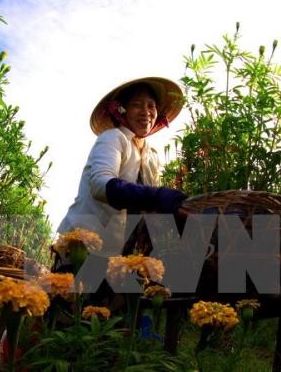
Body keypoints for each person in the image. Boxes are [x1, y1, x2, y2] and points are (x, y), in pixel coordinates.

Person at [55, 77, 187, 271]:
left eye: (151, 106)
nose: (146, 112)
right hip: (82, 246)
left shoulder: (152, 155)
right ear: (121, 110)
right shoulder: (113, 138)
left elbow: (148, 211)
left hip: (118, 254)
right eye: (136, 105)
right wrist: (158, 196)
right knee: (75, 299)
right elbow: (101, 185)